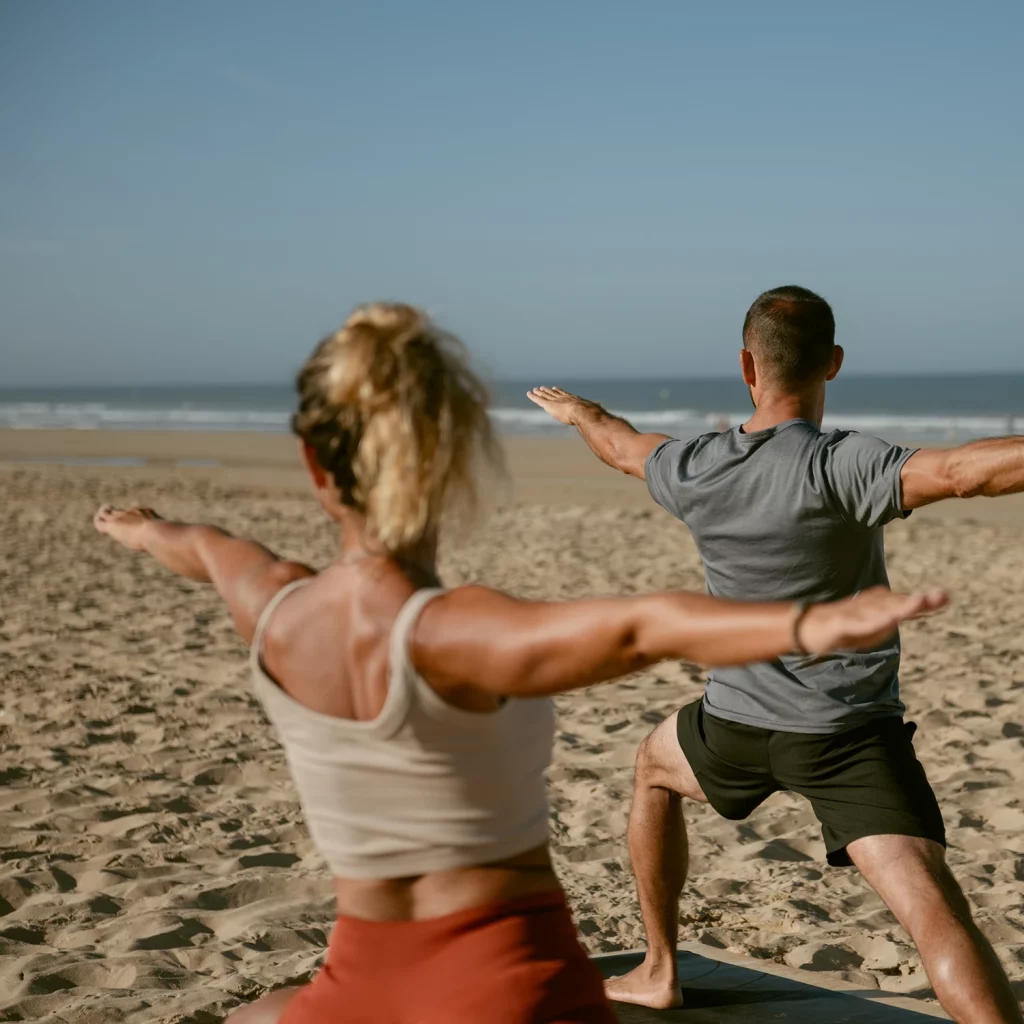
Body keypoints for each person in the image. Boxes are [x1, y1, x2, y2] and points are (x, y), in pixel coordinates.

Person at [93, 303, 945, 1024]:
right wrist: (805, 626)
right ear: (450, 462)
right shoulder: (456, 631)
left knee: (253, 1014)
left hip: (357, 990)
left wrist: (137, 527)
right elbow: (645, 628)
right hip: (511, 990)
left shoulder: (273, 605)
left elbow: (204, 548)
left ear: (315, 462)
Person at [527, 285, 1024, 1024]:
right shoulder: (843, 465)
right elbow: (963, 474)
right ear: (834, 363)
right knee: (932, 916)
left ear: (745, 367)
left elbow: (622, 448)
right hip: (844, 738)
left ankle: (659, 969)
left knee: (653, 767)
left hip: (733, 728)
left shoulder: (695, 467)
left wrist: (578, 414)